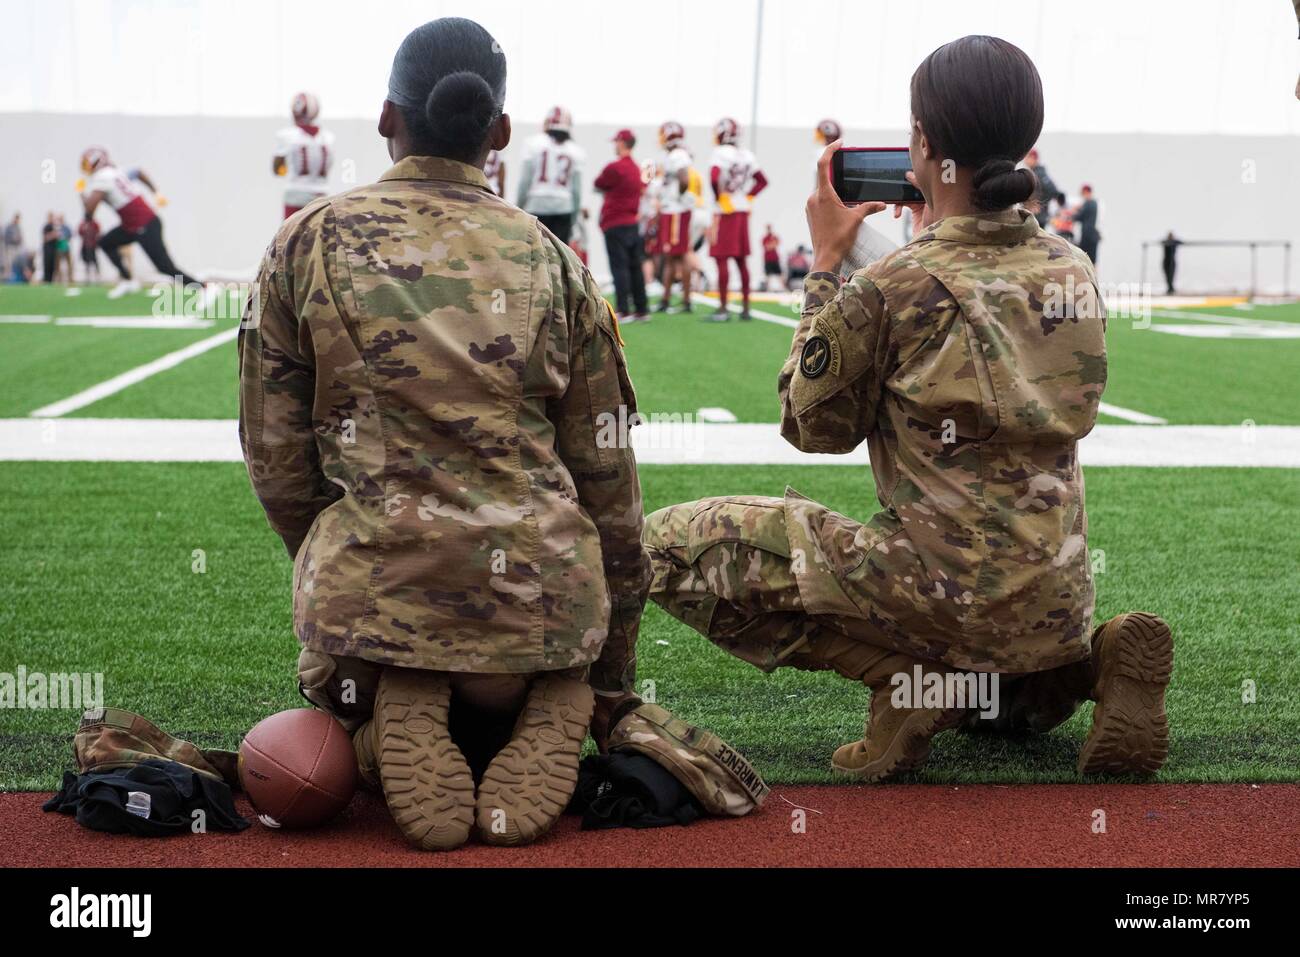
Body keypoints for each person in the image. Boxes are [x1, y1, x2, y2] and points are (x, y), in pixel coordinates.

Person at [642, 35, 1172, 783]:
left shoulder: (894, 282)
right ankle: (1093, 664)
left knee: (665, 548)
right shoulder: (1072, 269)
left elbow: (808, 422)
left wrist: (828, 263)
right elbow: (978, 284)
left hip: (942, 596)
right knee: (1001, 707)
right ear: (1026, 143)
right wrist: (932, 231)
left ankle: (905, 677)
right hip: (1053, 598)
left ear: (920, 143)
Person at [239, 17, 653, 852]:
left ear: (388, 117)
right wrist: (610, 673)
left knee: (341, 685)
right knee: (529, 663)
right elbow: (608, 479)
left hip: (371, 625)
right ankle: (553, 700)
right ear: (499, 135)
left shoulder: (304, 243)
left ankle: (393, 703)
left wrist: (352, 561)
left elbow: (277, 458)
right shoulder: (555, 260)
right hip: (534, 620)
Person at [79, 147, 208, 300]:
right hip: (133, 225)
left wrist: (81, 193)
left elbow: (90, 210)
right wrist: (155, 191)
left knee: (165, 267)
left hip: (143, 225)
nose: (86, 168)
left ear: (95, 162)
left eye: (87, 163)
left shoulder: (102, 177)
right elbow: (138, 172)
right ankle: (128, 280)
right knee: (106, 243)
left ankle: (203, 288)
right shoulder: (116, 172)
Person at [706, 117, 767, 321]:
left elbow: (714, 177)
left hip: (725, 211)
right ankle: (746, 308)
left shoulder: (720, 153)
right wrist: (748, 196)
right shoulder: (747, 154)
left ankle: (723, 309)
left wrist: (719, 197)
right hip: (741, 209)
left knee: (721, 258)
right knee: (741, 261)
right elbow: (762, 181)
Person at [594, 128, 648, 320]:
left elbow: (598, 183)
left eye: (616, 142)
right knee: (635, 266)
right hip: (632, 223)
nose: (614, 145)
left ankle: (623, 308)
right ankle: (641, 308)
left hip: (615, 222)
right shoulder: (636, 169)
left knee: (619, 266)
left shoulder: (615, 167)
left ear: (622, 143)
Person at [517, 106, 584, 244]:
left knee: (535, 256)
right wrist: (574, 216)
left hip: (536, 205)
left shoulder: (532, 144)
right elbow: (576, 191)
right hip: (564, 208)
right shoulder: (576, 151)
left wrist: (519, 206)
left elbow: (524, 182)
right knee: (559, 257)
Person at [654, 121, 696, 313]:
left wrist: (676, 198)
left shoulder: (678, 154)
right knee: (671, 256)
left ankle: (686, 299)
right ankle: (666, 298)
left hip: (675, 211)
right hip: (672, 210)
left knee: (679, 254)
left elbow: (684, 179)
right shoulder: (674, 154)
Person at [273, 92, 335, 219]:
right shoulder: (328, 137)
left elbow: (277, 170)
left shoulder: (287, 136)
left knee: (290, 235)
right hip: (320, 195)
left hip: (295, 194)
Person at [1021, 148, 1058, 227]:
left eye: (1027, 157)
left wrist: (1039, 204)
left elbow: (1053, 191)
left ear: (1034, 158)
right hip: (1034, 216)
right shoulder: (1033, 172)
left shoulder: (1039, 173)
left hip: (1038, 217)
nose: (1025, 160)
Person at [1076, 183, 1100, 264]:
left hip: (1088, 237)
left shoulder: (1088, 203)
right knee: (1092, 261)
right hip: (1092, 236)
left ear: (1086, 192)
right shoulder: (1094, 203)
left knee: (1085, 259)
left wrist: (1073, 212)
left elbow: (1079, 216)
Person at [78, 214, 101, 283]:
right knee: (86, 262)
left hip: (92, 246)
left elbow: (98, 232)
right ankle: (87, 278)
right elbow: (80, 232)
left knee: (95, 261)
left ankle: (97, 277)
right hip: (85, 246)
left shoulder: (94, 224)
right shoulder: (83, 224)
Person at [761, 224, 781, 291]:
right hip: (768, 259)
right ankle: (768, 289)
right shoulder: (765, 238)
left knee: (779, 274)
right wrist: (773, 244)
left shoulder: (774, 237)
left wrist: (772, 244)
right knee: (768, 275)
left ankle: (783, 287)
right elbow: (767, 247)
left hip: (775, 258)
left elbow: (777, 244)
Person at [41, 213, 58, 284]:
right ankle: (46, 280)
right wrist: (53, 235)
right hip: (47, 249)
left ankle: (50, 280)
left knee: (52, 265)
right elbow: (45, 238)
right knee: (47, 265)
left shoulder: (53, 227)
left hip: (53, 249)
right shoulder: (46, 227)